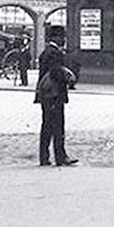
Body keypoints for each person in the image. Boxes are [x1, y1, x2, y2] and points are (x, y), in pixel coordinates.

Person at [35, 26, 78, 166]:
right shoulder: (54, 53)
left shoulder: (45, 52)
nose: (63, 40)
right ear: (56, 37)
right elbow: (56, 73)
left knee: (47, 126)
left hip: (46, 95)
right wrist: (68, 77)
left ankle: (44, 157)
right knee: (58, 126)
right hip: (54, 94)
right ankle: (60, 157)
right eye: (62, 37)